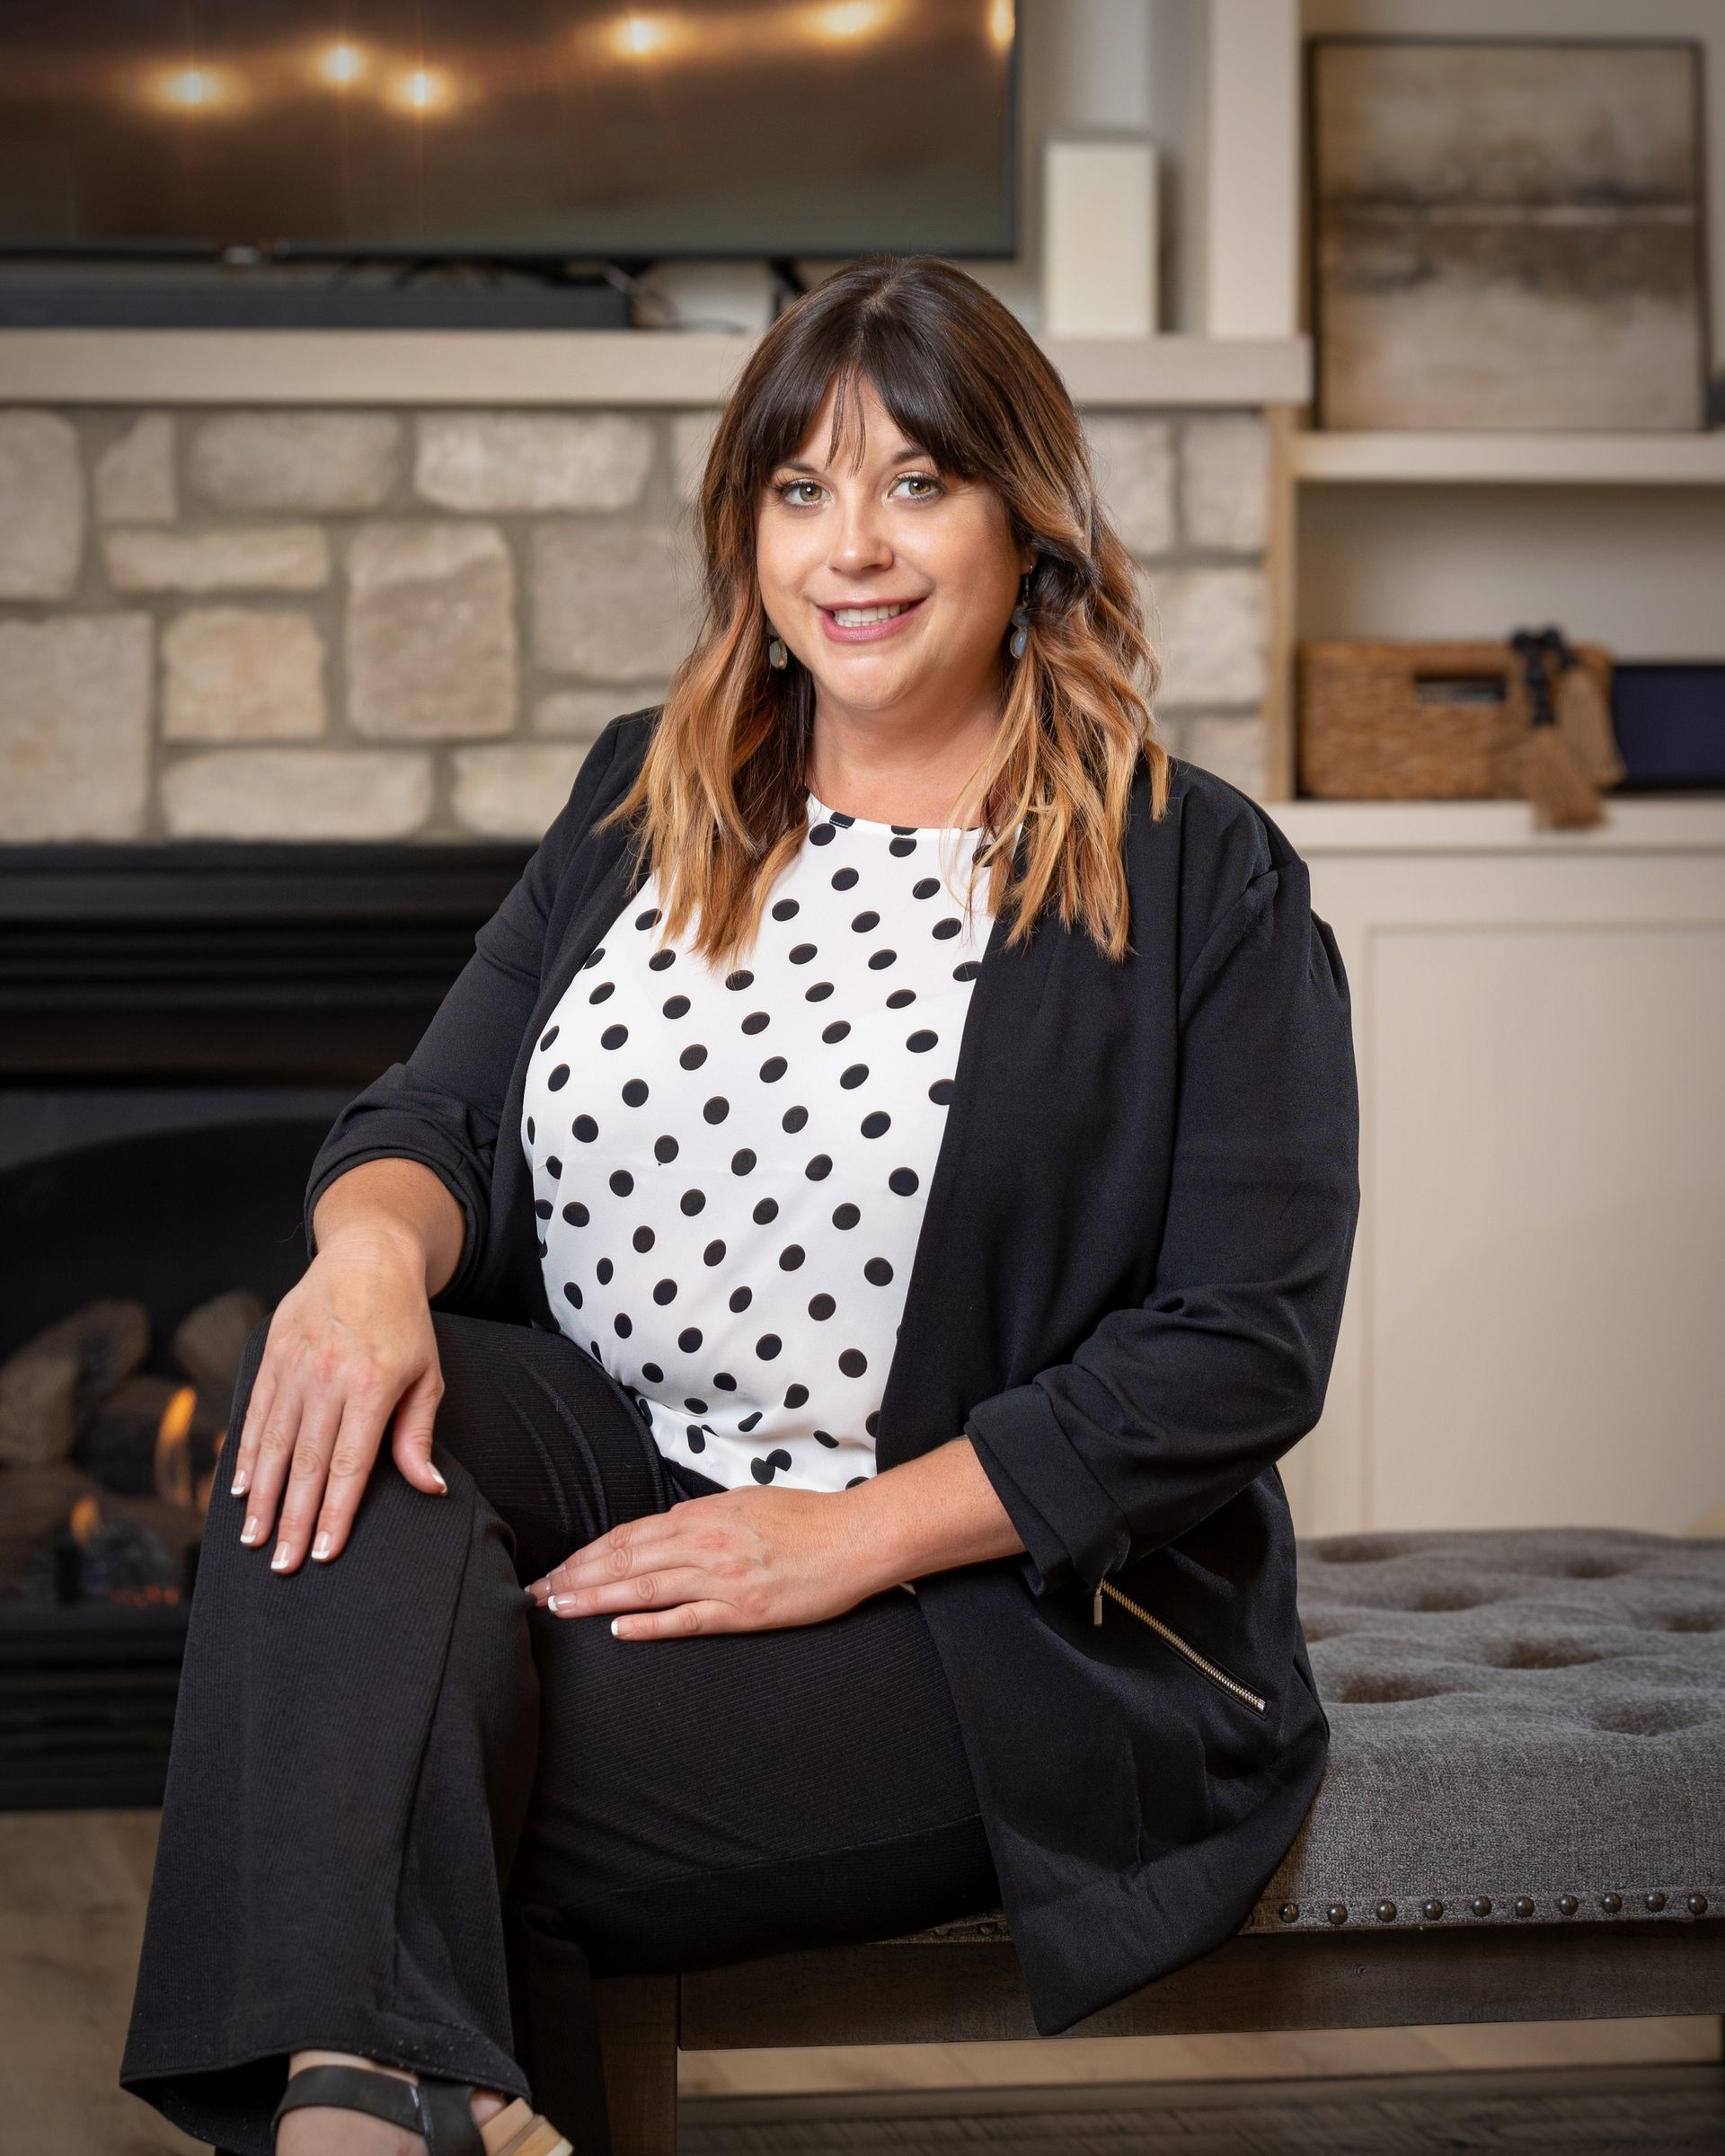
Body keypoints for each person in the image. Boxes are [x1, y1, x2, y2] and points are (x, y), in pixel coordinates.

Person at [120, 253, 1359, 2156]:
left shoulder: (1194, 873)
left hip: (986, 1603)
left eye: (915, 482)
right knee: (342, 1417)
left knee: (401, 1756)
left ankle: (363, 2108)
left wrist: (845, 1537)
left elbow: (1237, 1349)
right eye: (799, 491)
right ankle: (398, 2103)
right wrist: (362, 1261)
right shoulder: (655, 790)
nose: (849, 548)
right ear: (747, 533)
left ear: (1028, 515)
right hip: (628, 1456)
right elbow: (437, 1112)